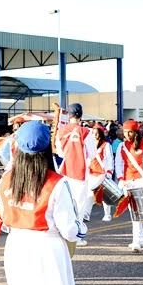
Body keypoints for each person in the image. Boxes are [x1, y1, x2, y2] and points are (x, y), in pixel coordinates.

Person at [0, 121, 87, 285]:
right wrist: (83, 229)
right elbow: (70, 229)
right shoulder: (56, 182)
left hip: (16, 245)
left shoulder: (5, 178)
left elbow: (4, 217)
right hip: (46, 249)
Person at [54, 103, 96, 247]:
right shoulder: (85, 131)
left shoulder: (61, 131)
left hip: (64, 171)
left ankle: (64, 232)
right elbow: (93, 153)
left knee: (66, 202)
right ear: (80, 115)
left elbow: (59, 153)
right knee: (79, 205)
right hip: (79, 172)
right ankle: (76, 236)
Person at [115, 120, 143, 251]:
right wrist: (121, 179)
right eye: (125, 132)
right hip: (127, 181)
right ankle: (140, 239)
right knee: (134, 211)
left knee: (136, 211)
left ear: (136, 132)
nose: (127, 135)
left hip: (142, 180)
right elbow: (119, 164)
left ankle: (136, 241)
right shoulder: (121, 146)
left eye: (130, 132)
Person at [84, 124, 114, 222]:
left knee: (104, 195)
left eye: (96, 133)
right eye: (93, 133)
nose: (94, 135)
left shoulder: (106, 145)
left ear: (100, 134)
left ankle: (107, 214)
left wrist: (109, 171)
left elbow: (110, 159)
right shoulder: (89, 145)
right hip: (91, 173)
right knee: (89, 194)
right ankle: (86, 214)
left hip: (102, 173)